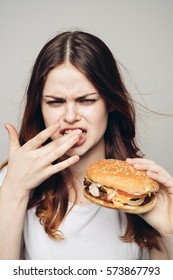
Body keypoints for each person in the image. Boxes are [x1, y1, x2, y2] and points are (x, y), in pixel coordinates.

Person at [0, 30, 173, 260]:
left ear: (110, 103)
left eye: (86, 100)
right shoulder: (11, 182)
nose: (70, 116)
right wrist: (13, 192)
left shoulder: (142, 191)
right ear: (39, 106)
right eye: (55, 102)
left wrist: (170, 231)